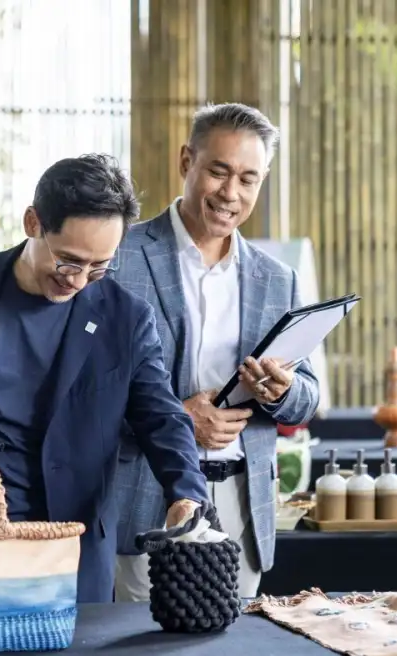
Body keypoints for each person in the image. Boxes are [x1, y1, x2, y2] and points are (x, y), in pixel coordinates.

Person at [0, 153, 209, 603]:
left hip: (70, 545)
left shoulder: (126, 319)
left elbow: (161, 417)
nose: (78, 281)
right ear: (33, 223)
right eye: (68, 262)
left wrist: (185, 495)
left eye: (98, 267)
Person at [113, 103, 320, 600]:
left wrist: (282, 391)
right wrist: (175, 420)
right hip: (145, 496)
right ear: (187, 161)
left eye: (248, 179)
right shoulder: (119, 257)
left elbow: (307, 398)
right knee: (143, 639)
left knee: (235, 638)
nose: (231, 193)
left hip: (241, 503)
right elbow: (82, 393)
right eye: (219, 171)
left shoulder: (278, 279)